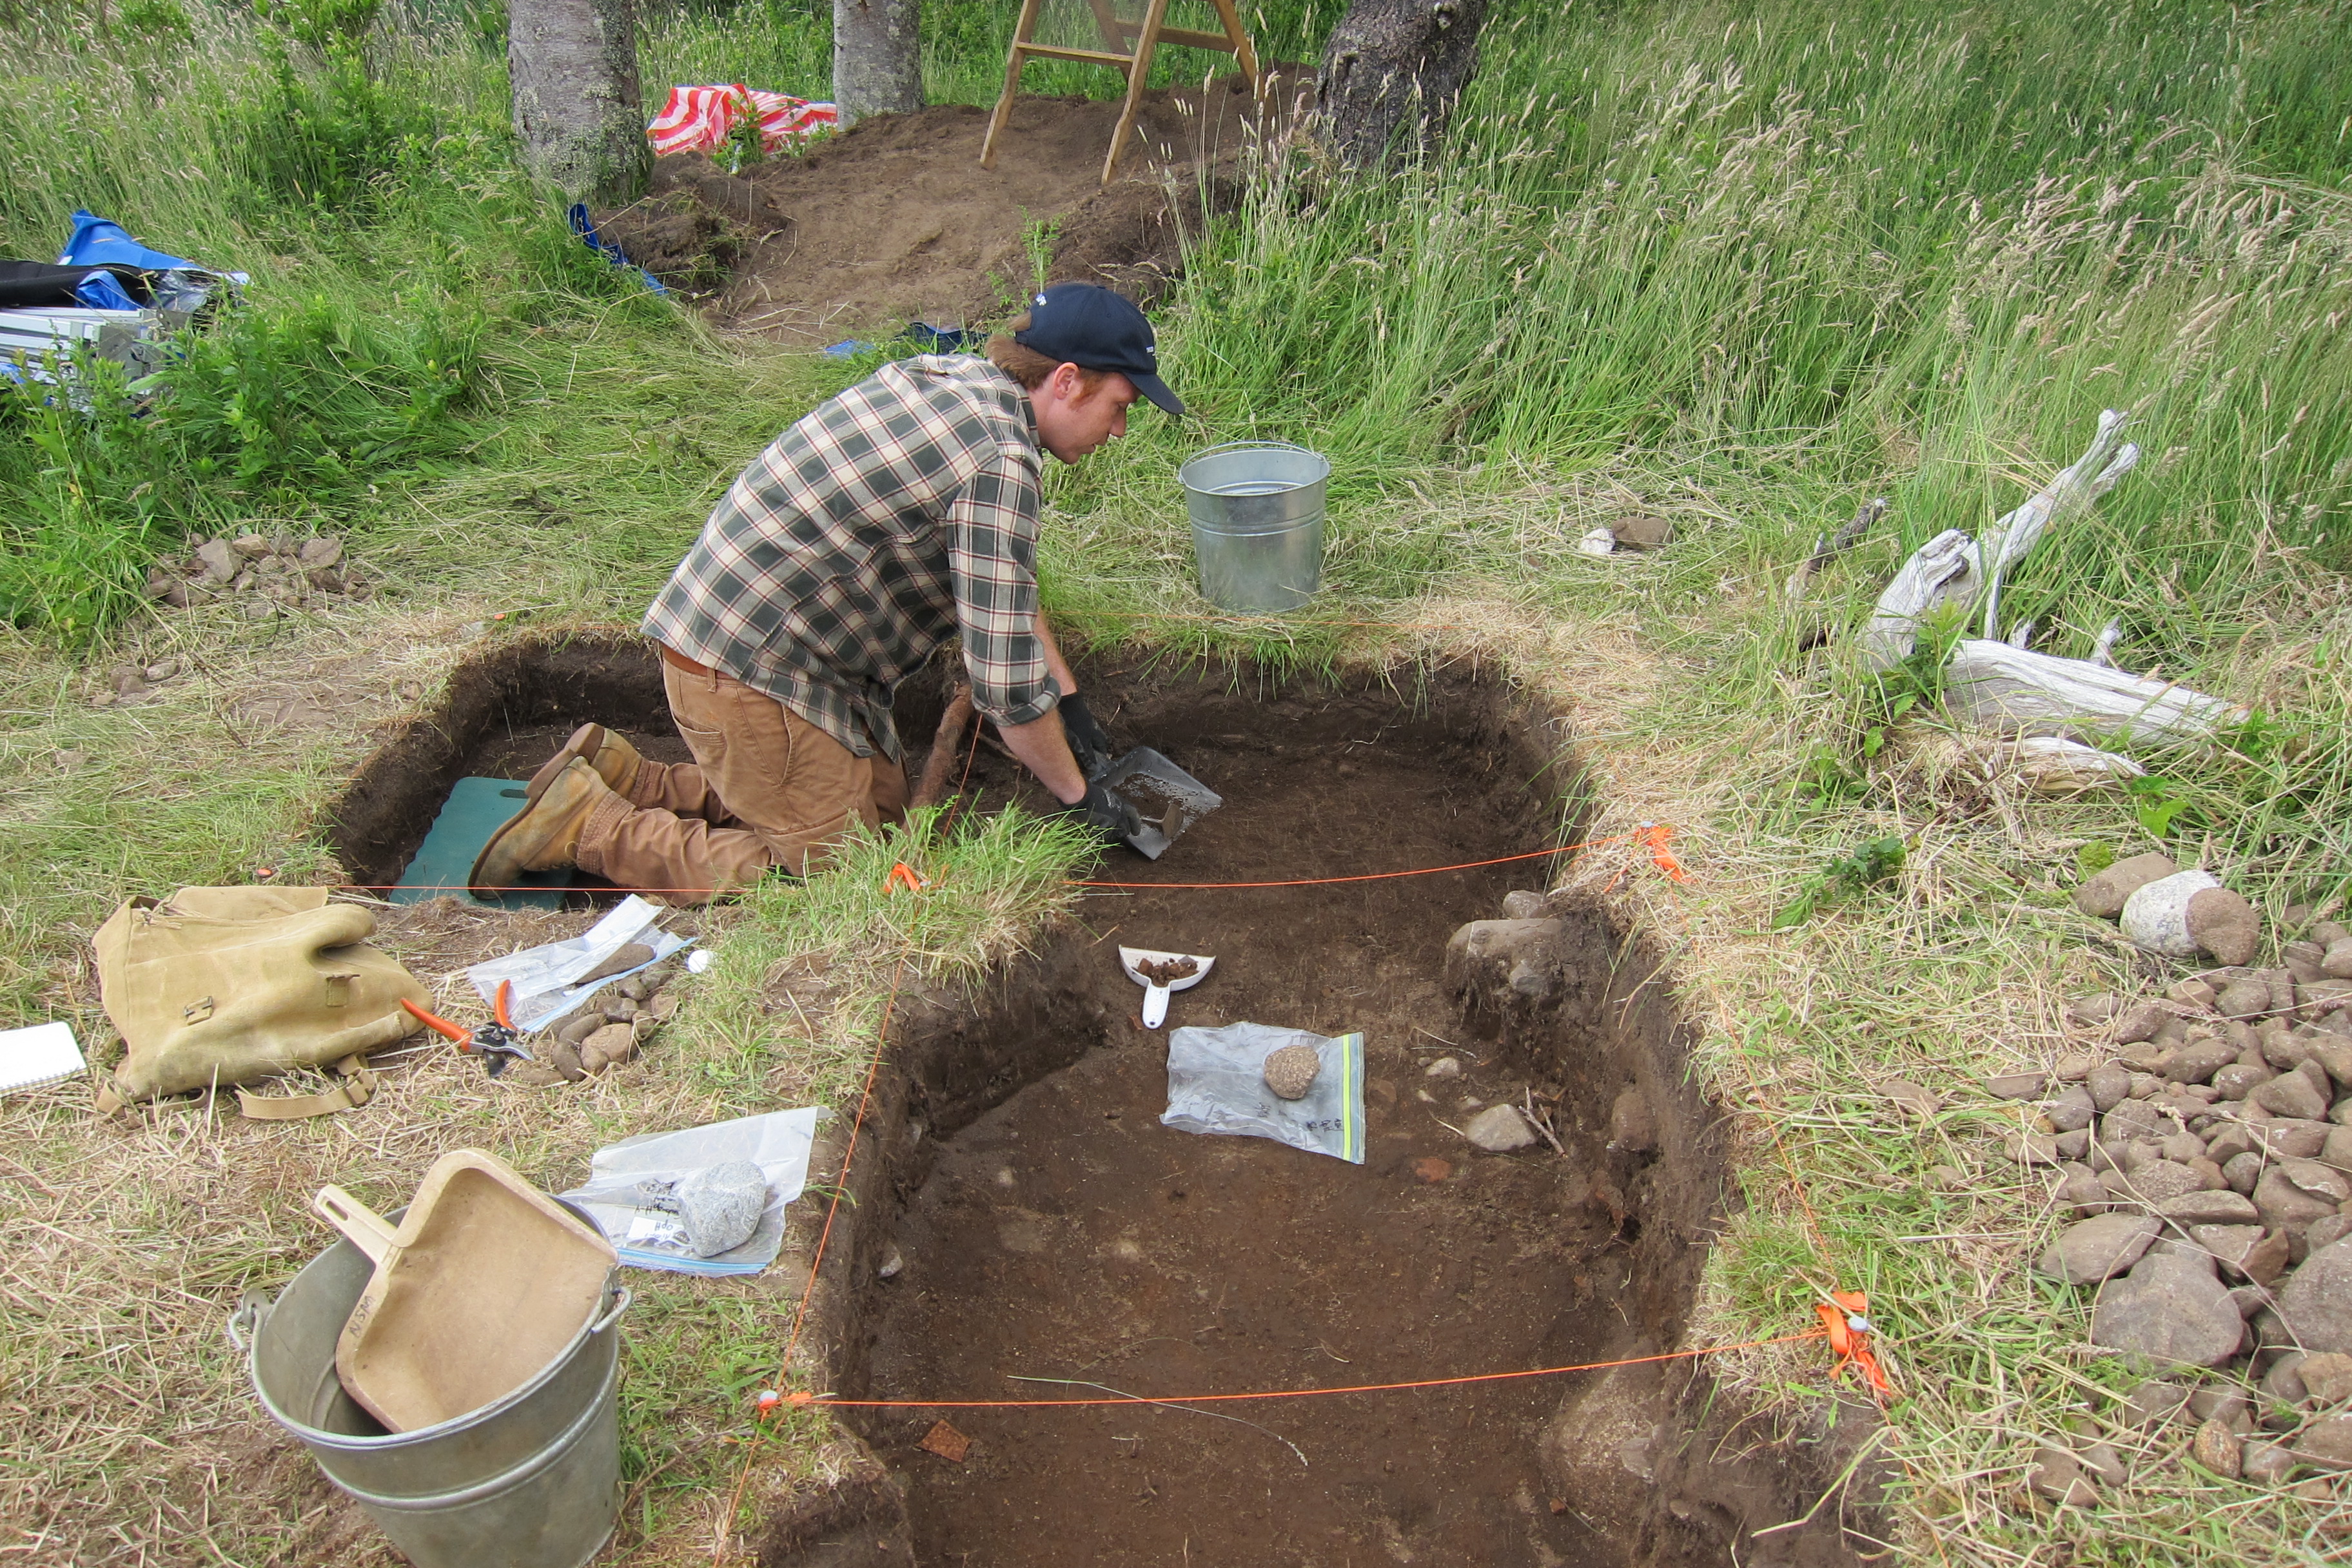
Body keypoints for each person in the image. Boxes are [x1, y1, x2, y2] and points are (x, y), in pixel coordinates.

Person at [467, 282, 1181, 905]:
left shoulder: (960, 382)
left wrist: (1073, 701)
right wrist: (1080, 796)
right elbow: (1003, 693)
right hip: (745, 670)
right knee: (851, 880)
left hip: (765, 646)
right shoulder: (999, 462)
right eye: (1119, 405)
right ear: (1065, 381)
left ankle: (634, 778)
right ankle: (590, 827)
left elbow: (1005, 595)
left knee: (885, 808)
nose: (1119, 430)